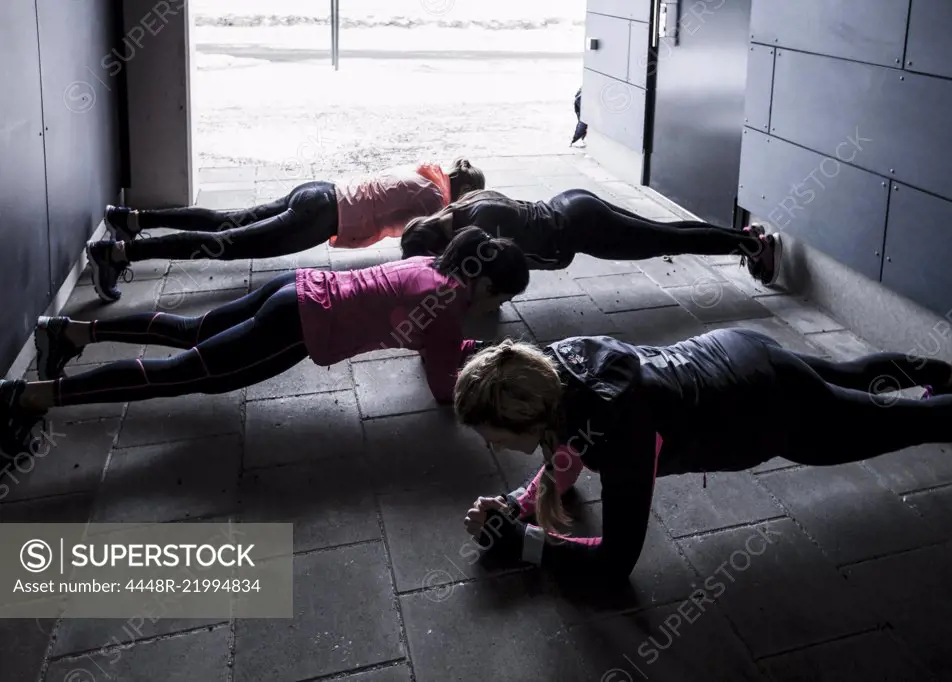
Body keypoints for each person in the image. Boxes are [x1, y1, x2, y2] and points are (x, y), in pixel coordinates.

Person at [452, 330, 952, 582]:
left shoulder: (620, 430)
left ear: (526, 416)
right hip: (734, 351)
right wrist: (516, 506)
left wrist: (522, 544)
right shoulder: (547, 366)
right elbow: (568, 450)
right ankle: (940, 372)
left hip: (767, 410)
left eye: (491, 433)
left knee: (898, 424)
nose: (488, 444)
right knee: (846, 379)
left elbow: (615, 562)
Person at [0, 228, 527, 459]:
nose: (492, 308)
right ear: (484, 283)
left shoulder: (432, 267)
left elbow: (424, 337)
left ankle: (70, 332)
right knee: (184, 373)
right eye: (497, 296)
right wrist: (479, 369)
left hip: (297, 287)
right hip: (298, 326)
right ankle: (29, 397)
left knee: (192, 330)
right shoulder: (449, 306)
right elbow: (442, 390)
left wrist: (459, 348)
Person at [86, 158, 487, 302]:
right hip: (321, 218)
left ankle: (131, 219)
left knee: (225, 221)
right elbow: (425, 247)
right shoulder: (436, 199)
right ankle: (117, 254)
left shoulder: (425, 171)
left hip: (318, 192)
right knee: (223, 245)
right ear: (465, 191)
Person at [400, 189, 781, 285]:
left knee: (668, 240)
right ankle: (743, 238)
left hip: (581, 229)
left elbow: (535, 262)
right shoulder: (464, 205)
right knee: (665, 233)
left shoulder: (477, 232)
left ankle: (755, 246)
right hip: (572, 202)